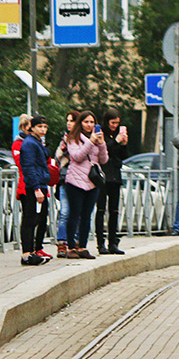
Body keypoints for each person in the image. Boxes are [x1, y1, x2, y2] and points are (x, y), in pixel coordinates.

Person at [63, 110, 108, 259]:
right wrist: (90, 142)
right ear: (80, 123)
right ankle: (70, 247)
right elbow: (77, 156)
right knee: (74, 214)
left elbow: (103, 160)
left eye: (92, 122)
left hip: (92, 181)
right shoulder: (73, 138)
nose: (89, 125)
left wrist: (101, 145)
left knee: (87, 215)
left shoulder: (97, 138)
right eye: (86, 122)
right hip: (75, 181)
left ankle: (82, 246)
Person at [19, 115, 53, 266]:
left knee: (39, 219)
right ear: (32, 127)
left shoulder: (38, 142)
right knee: (30, 219)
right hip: (34, 186)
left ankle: (34, 251)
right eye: (40, 126)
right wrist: (36, 188)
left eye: (45, 127)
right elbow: (29, 167)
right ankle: (27, 254)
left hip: (41, 184)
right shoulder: (29, 144)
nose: (43, 129)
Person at [96, 111, 130, 254]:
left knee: (114, 210)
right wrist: (116, 141)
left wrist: (123, 144)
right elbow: (104, 149)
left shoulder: (116, 136)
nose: (115, 126)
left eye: (117, 123)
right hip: (103, 174)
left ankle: (113, 242)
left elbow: (123, 156)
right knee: (101, 210)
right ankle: (100, 242)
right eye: (112, 123)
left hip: (115, 175)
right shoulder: (101, 134)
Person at [54, 112, 77, 258]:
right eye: (67, 120)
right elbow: (57, 158)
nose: (68, 123)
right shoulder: (64, 140)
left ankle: (76, 243)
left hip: (80, 180)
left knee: (78, 213)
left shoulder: (84, 139)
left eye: (72, 121)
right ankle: (62, 244)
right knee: (64, 212)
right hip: (64, 179)